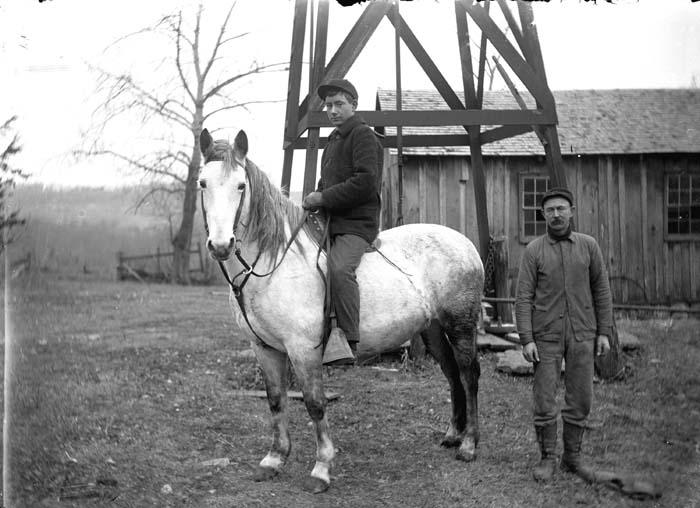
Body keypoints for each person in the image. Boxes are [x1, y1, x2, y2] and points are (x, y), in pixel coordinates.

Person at [515, 187, 613, 482]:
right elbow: (522, 298)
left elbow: (602, 290)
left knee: (581, 397)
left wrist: (604, 332)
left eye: (561, 208)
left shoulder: (588, 246)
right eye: (550, 210)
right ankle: (547, 458)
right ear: (543, 215)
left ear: (572, 211)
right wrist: (527, 338)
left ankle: (573, 457)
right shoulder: (534, 251)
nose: (556, 214)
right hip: (545, 336)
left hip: (583, 333)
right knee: (545, 399)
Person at [302, 78, 383, 360]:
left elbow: (365, 183)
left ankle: (348, 340)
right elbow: (327, 182)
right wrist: (315, 197)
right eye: (328, 105)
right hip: (332, 221)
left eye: (339, 104)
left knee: (338, 269)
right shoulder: (334, 140)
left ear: (353, 105)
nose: (332, 110)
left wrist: (323, 198)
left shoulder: (362, 135)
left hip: (357, 224)